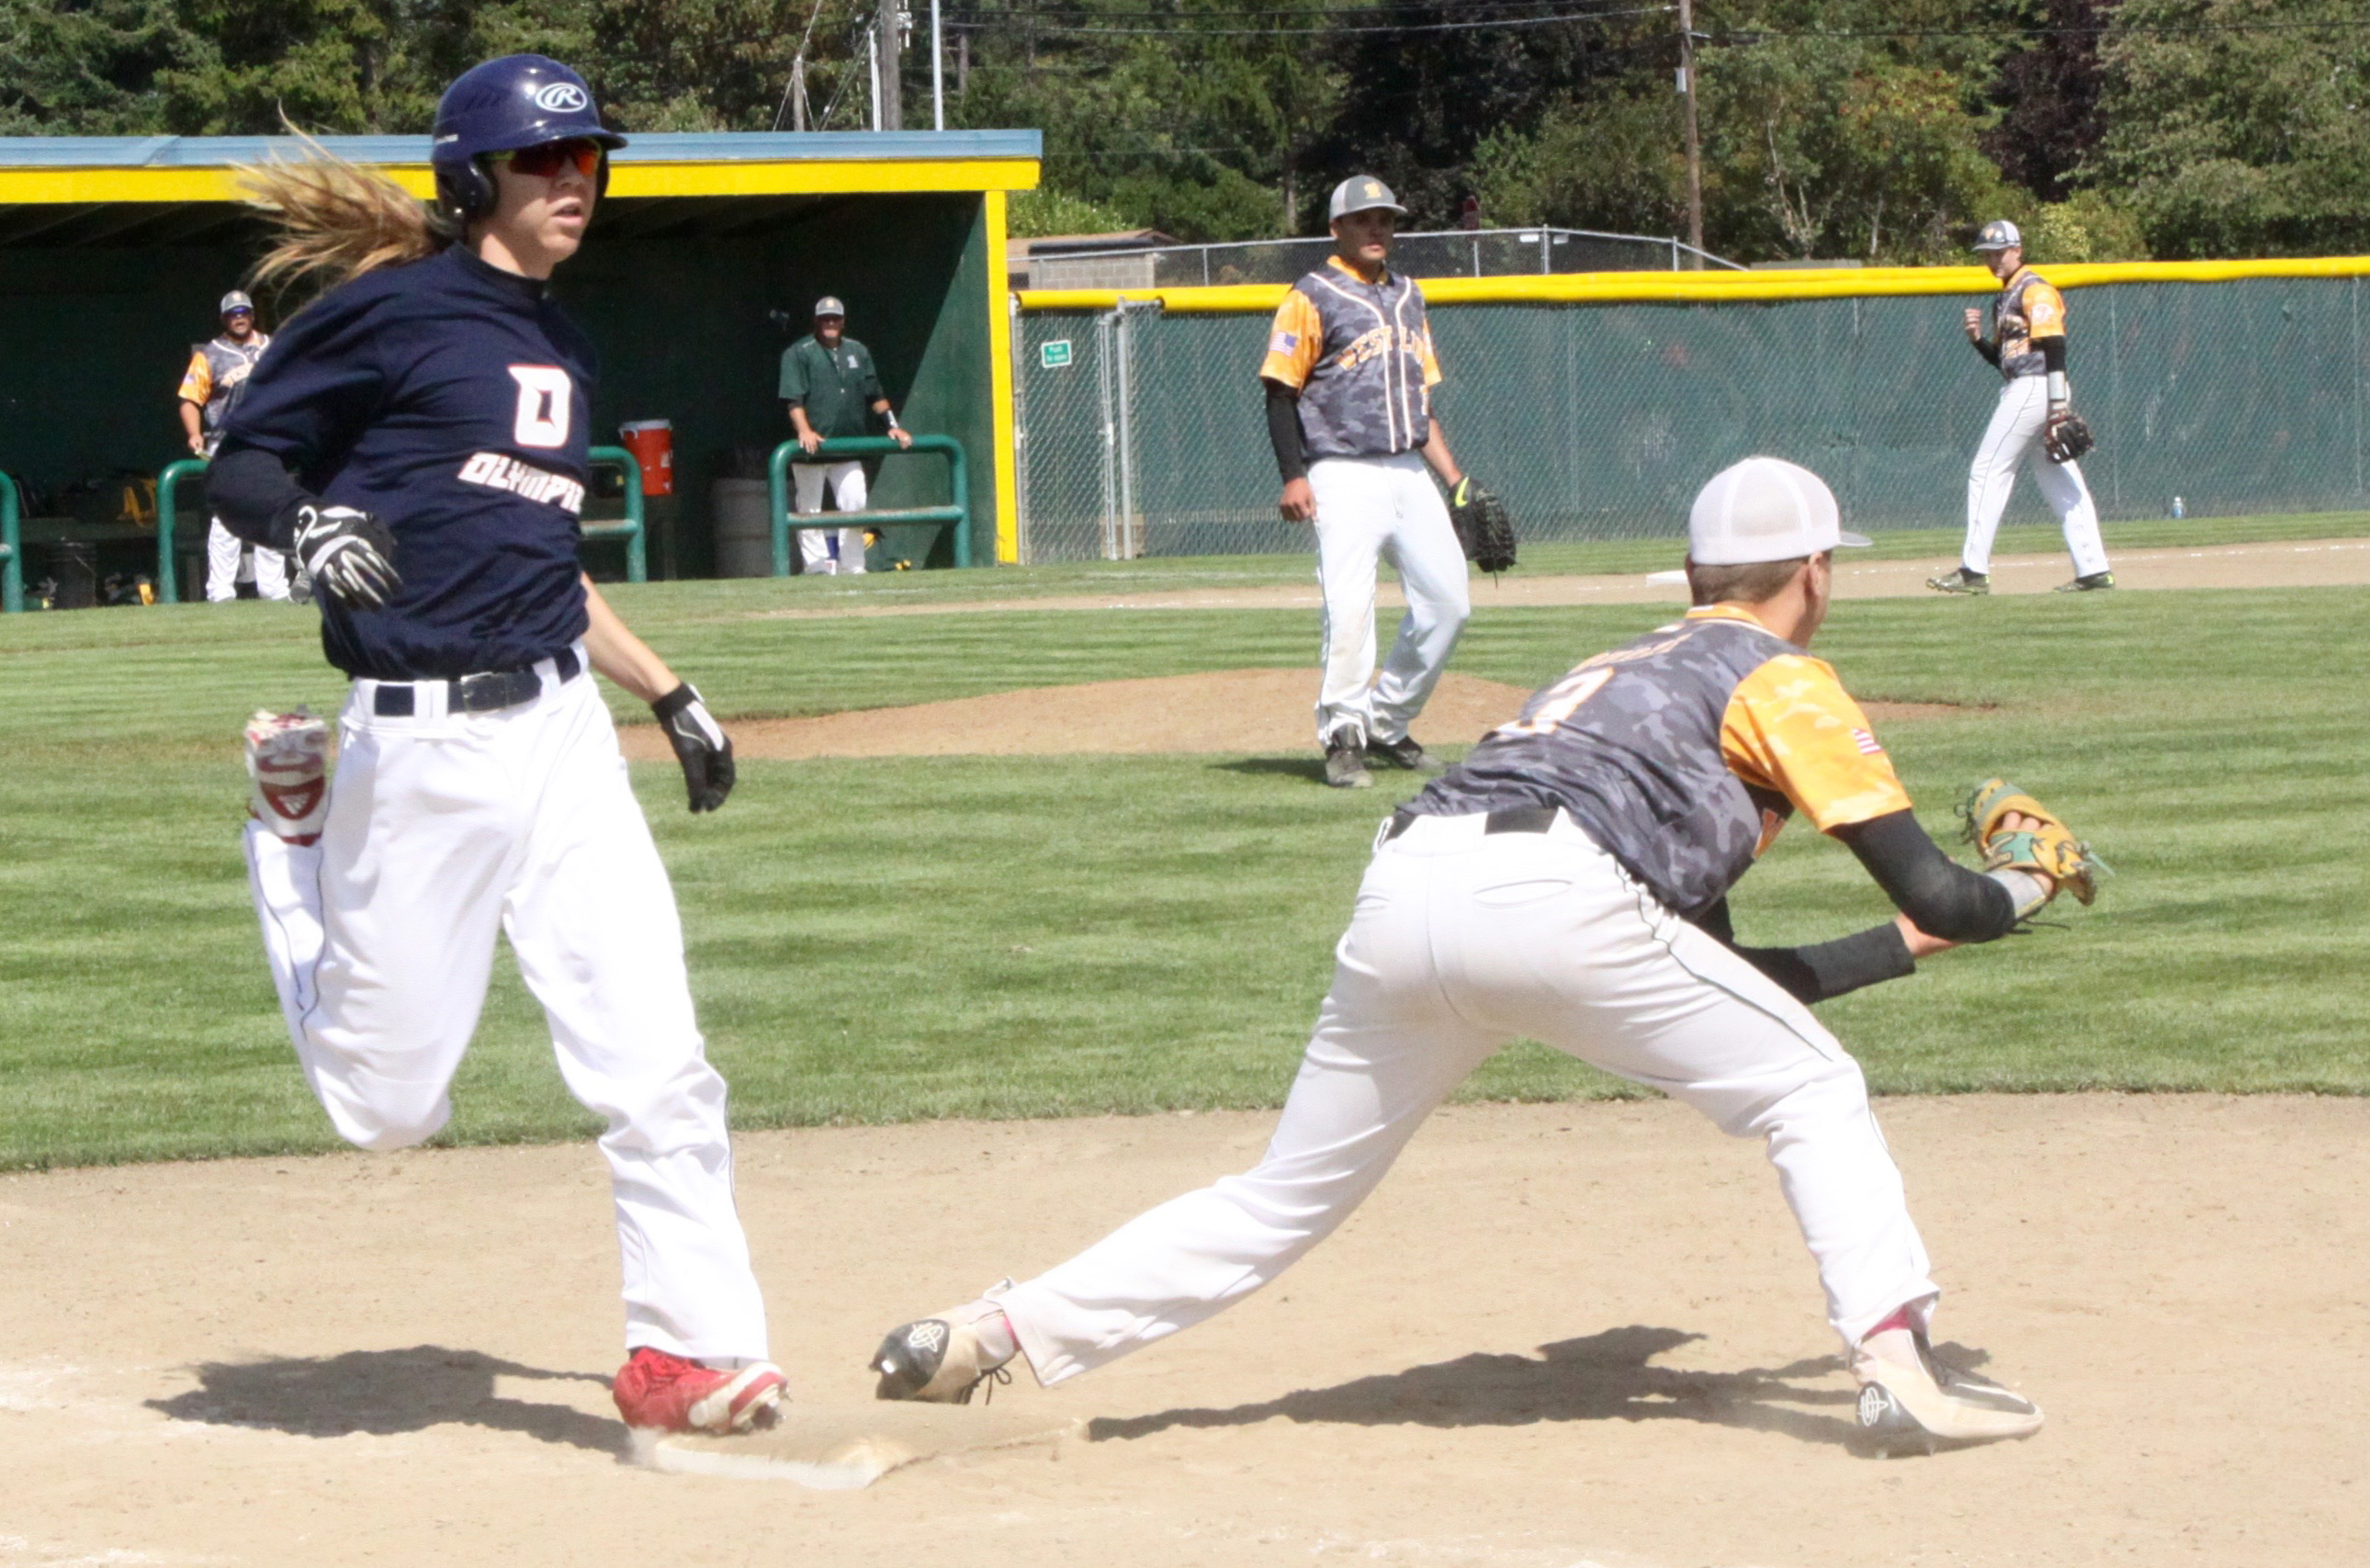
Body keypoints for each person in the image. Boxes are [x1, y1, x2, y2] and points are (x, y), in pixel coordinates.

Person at [871, 457, 2094, 1450]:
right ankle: (1898, 1362)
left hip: (1409, 881)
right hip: (1560, 893)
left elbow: (1723, 978)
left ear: (1694, 571)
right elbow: (1931, 881)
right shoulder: (1781, 674)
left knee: (1282, 1193)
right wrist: (2017, 887)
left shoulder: (1615, 672)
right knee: (1815, 1087)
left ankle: (985, 1332)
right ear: (1816, 575)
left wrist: (1906, 944)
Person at [205, 54, 788, 1439]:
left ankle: (686, 1354)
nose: (575, 180)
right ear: (477, 179)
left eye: (590, 158)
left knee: (656, 1060)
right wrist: (303, 527)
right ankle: (295, 844)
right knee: (385, 1106)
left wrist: (665, 688)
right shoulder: (390, 315)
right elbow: (238, 459)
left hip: (562, 733)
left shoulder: (563, 345)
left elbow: (540, 560)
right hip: (417, 751)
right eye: (545, 160)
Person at [1261, 174, 1476, 789]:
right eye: (1364, 220)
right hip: (1341, 471)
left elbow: (1422, 403)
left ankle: (1386, 719)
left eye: (1385, 218)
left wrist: (1456, 481)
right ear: (1337, 229)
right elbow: (1280, 391)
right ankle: (1342, 733)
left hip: (1410, 470)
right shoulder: (1311, 295)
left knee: (1448, 602)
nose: (1377, 228)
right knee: (1350, 609)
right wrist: (1293, 477)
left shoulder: (1410, 296)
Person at [1927, 220, 2114, 596]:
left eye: (2000, 252)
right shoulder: (2007, 295)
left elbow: (2055, 346)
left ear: (2018, 250)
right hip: (2028, 384)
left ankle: (1973, 571)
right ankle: (2094, 569)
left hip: (2037, 388)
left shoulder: (2035, 289)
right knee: (2059, 477)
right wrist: (1977, 340)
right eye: (1987, 255)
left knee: (1987, 469)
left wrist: (2058, 407)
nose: (1993, 260)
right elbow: (2006, 361)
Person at [776, 295, 909, 574]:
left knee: (855, 502)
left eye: (835, 318)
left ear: (843, 321)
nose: (830, 323)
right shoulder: (799, 352)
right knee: (809, 509)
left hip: (848, 447)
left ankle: (854, 565)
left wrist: (892, 425)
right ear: (816, 321)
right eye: (825, 319)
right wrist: (805, 431)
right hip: (811, 449)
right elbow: (793, 399)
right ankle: (816, 568)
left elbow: (876, 394)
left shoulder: (857, 351)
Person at [178, 289, 291, 601]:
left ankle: (273, 587)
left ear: (252, 315)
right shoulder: (210, 355)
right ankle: (221, 590)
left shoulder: (273, 348)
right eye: (233, 314)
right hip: (226, 442)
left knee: (270, 509)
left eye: (244, 312)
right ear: (224, 318)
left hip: (268, 440)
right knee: (226, 515)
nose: (239, 318)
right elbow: (189, 400)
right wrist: (194, 433)